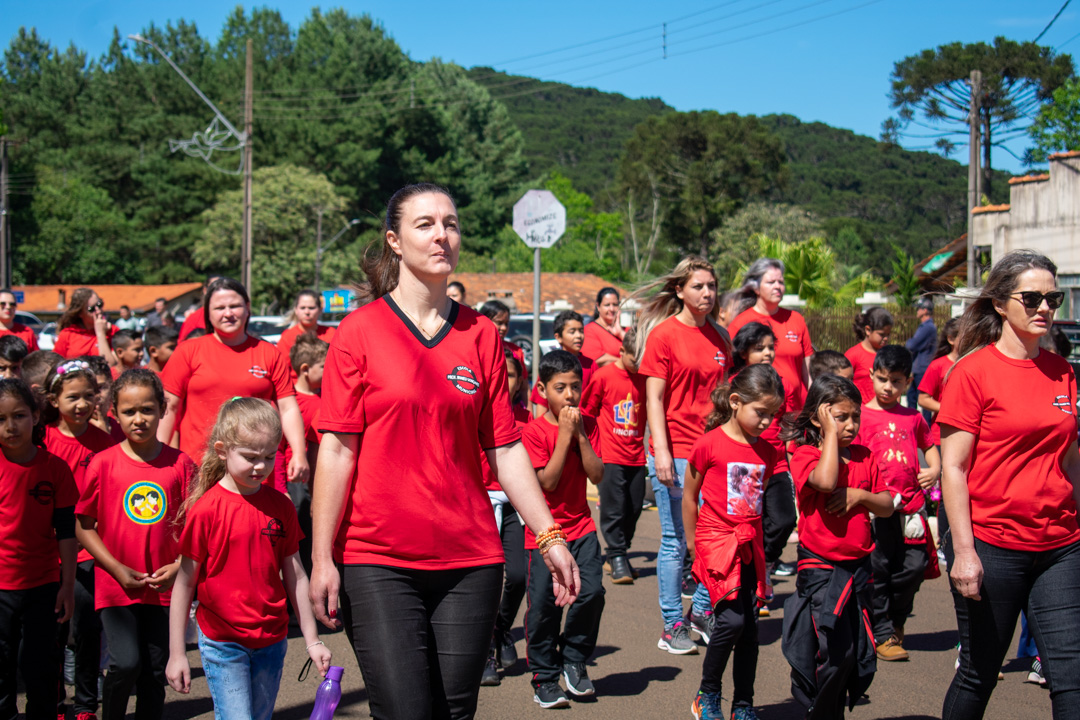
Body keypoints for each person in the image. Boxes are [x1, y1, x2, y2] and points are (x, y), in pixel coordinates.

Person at [308, 184, 579, 720]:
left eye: (451, 224)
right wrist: (321, 558)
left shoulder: (481, 335)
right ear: (394, 240)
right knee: (406, 711)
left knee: (454, 713)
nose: (442, 235)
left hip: (470, 560)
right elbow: (336, 453)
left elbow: (505, 448)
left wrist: (549, 535)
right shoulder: (357, 333)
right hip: (378, 558)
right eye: (426, 224)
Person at [939, 250, 1080, 719]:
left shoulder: (1063, 372)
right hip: (994, 543)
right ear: (1000, 304)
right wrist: (963, 552)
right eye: (1033, 297)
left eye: (1053, 298)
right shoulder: (971, 372)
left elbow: (1071, 458)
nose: (1045, 307)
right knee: (978, 673)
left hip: (1061, 544)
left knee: (1072, 674)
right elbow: (953, 468)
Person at [166, 398, 331, 717]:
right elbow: (184, 584)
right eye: (250, 457)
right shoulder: (207, 510)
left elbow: (295, 576)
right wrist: (177, 653)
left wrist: (312, 641)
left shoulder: (281, 507)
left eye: (270, 457)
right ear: (222, 449)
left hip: (272, 638)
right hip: (221, 639)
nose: (261, 466)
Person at [75, 370, 196, 720]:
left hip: (164, 589)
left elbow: (195, 527)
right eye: (129, 411)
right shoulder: (103, 463)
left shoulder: (181, 464)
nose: (139, 419)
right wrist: (114, 568)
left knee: (154, 672)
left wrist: (178, 567)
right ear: (114, 411)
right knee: (126, 664)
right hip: (116, 586)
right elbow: (84, 527)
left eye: (147, 409)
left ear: (162, 409)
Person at [634, 256, 731, 655]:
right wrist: (659, 452)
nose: (706, 293)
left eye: (711, 286)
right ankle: (673, 623)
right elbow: (653, 399)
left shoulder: (722, 336)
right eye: (698, 286)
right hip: (675, 454)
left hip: (714, 454)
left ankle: (702, 610)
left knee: (714, 538)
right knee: (676, 540)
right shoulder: (664, 335)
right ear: (679, 290)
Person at [781, 374, 893, 719]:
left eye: (854, 416)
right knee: (834, 651)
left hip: (859, 568)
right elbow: (826, 480)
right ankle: (819, 710)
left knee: (857, 655)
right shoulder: (804, 454)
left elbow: (888, 505)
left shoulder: (864, 455)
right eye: (840, 417)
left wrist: (861, 496)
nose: (850, 425)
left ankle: (828, 710)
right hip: (821, 568)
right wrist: (829, 434)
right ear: (819, 417)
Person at [684, 364, 783, 720]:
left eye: (772, 415)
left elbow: (757, 501)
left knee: (751, 629)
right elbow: (689, 496)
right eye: (760, 413)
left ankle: (743, 703)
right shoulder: (709, 443)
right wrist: (694, 545)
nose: (766, 422)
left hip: (749, 545)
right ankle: (707, 694)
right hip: (715, 542)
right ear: (736, 401)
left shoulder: (769, 451)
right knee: (731, 623)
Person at [157, 277, 309, 492]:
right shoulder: (188, 351)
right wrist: (159, 456)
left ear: (247, 308)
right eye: (219, 307)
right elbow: (168, 408)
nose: (228, 313)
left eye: (235, 306)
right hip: (199, 471)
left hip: (255, 473)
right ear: (207, 313)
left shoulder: (268, 353)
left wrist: (299, 454)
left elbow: (288, 407)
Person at [522, 350, 605, 708]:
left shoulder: (590, 424)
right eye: (560, 388)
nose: (569, 395)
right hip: (543, 532)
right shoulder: (534, 431)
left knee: (591, 593)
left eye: (575, 387)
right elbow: (549, 482)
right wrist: (564, 436)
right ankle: (544, 676)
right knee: (544, 605)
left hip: (582, 526)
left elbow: (598, 475)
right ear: (542, 389)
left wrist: (581, 436)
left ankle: (574, 659)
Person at [855, 345, 940, 662]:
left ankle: (897, 621)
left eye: (896, 381)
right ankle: (882, 632)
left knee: (913, 568)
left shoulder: (914, 418)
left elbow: (929, 446)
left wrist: (935, 469)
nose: (888, 387)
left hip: (912, 509)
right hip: (877, 508)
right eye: (882, 379)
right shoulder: (861, 416)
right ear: (871, 376)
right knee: (879, 569)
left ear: (908, 382)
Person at [0, 378, 77, 720]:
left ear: (35, 416)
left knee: (41, 674)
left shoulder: (55, 469)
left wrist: (67, 587)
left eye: (18, 415)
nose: (10, 426)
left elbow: (66, 533)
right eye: (0, 419)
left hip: (44, 586)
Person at [43, 360, 116, 720]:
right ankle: (56, 702)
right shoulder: (41, 438)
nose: (82, 404)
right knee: (51, 636)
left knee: (87, 630)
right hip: (46, 550)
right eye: (73, 396)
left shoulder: (105, 442)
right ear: (54, 400)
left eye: (89, 395)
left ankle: (87, 705)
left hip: (89, 550)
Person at [480, 348, 533, 686]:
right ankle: (484, 649)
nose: (505, 379)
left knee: (516, 575)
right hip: (479, 503)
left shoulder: (528, 420)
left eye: (511, 375)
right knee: (484, 580)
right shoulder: (474, 413)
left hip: (513, 504)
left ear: (518, 382)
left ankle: (501, 629)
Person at [731, 322, 799, 586]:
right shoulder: (734, 383)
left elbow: (789, 423)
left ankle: (765, 564)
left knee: (784, 520)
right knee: (745, 527)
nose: (767, 353)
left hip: (777, 462)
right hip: (743, 464)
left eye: (771, 347)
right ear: (744, 352)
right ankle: (745, 579)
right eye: (759, 348)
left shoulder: (783, 384)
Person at [581, 328, 647, 585]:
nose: (638, 365)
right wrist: (591, 448)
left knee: (633, 507)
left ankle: (620, 551)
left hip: (637, 455)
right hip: (610, 454)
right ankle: (616, 554)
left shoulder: (644, 378)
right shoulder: (604, 376)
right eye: (634, 359)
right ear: (622, 352)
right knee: (614, 508)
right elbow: (588, 411)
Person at [729, 259, 813, 410]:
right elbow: (732, 371)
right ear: (756, 288)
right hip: (762, 411)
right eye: (771, 282)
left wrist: (813, 404)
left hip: (796, 411)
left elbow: (806, 373)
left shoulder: (796, 319)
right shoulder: (741, 322)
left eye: (780, 282)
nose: (777, 287)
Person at [917, 317, 960, 551]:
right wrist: (949, 409)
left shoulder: (972, 364)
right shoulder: (938, 366)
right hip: (941, 435)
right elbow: (923, 398)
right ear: (951, 339)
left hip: (967, 436)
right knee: (947, 490)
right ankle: (944, 543)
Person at [530, 310, 594, 416]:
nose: (578, 336)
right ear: (558, 337)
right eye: (572, 332)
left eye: (581, 331)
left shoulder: (591, 365)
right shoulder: (551, 365)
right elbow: (541, 404)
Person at [844, 307, 893, 404]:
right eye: (882, 334)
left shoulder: (889, 355)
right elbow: (842, 385)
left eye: (888, 334)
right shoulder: (853, 355)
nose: (886, 338)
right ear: (868, 330)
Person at [55, 288, 117, 361]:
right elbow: (55, 363)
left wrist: (101, 333)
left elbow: (111, 364)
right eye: (92, 309)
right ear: (80, 313)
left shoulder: (113, 331)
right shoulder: (68, 334)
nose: (98, 311)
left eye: (99, 304)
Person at [276, 290, 336, 364]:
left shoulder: (331, 334)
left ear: (320, 310)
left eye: (311, 308)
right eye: (302, 308)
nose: (307, 312)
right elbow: (283, 366)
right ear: (296, 310)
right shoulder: (287, 337)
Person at [905, 298, 937, 422]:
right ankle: (912, 423)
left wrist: (909, 342)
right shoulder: (926, 326)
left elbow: (911, 345)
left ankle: (926, 428)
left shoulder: (927, 327)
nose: (916, 311)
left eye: (918, 308)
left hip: (922, 368)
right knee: (911, 397)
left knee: (923, 399)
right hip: (918, 367)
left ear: (924, 310)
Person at [582, 287, 625, 367]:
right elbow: (599, 359)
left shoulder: (626, 330)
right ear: (598, 306)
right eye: (607, 305)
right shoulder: (589, 330)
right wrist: (627, 363)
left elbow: (640, 352)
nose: (611, 309)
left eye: (615, 305)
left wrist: (621, 333)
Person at [478, 300, 526, 371]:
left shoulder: (516, 351)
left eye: (506, 324)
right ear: (484, 321)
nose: (504, 328)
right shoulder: (474, 349)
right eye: (499, 323)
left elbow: (523, 380)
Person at [178, 276, 221, 341]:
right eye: (214, 287)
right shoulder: (194, 318)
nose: (219, 291)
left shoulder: (234, 317)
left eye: (223, 288)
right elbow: (182, 345)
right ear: (205, 290)